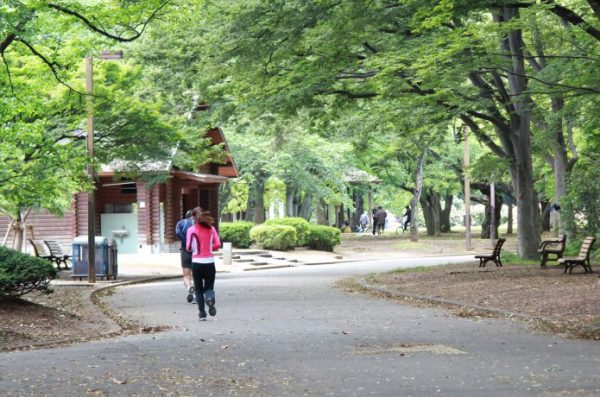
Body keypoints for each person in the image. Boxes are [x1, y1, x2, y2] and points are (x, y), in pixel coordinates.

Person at [186, 207, 221, 321]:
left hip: (197, 262)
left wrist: (196, 249)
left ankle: (202, 314)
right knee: (209, 287)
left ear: (193, 217)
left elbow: (188, 247)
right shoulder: (211, 229)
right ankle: (210, 298)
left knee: (198, 289)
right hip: (210, 262)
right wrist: (209, 247)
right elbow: (217, 244)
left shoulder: (191, 230)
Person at [175, 209, 195, 303]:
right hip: (197, 252)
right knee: (197, 275)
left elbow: (177, 233)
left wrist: (185, 240)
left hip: (185, 251)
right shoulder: (199, 223)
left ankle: (189, 288)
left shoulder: (181, 223)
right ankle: (196, 295)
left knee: (186, 275)